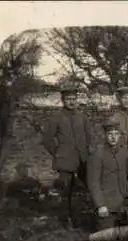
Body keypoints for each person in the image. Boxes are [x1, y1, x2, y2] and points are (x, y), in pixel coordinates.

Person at [86, 120, 128, 230]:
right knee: (106, 234)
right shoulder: (97, 154)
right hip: (108, 199)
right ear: (104, 135)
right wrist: (100, 205)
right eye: (110, 134)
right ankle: (119, 221)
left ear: (119, 135)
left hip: (124, 193)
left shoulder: (123, 152)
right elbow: (93, 182)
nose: (113, 137)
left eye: (116, 134)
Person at [42, 86, 93, 228]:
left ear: (77, 100)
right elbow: (47, 139)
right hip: (65, 161)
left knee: (88, 187)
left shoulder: (82, 117)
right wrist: (57, 153)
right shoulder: (56, 118)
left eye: (73, 99)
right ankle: (65, 221)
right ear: (63, 101)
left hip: (82, 159)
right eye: (68, 99)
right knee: (66, 191)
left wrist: (89, 153)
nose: (71, 102)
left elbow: (89, 137)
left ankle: (85, 217)